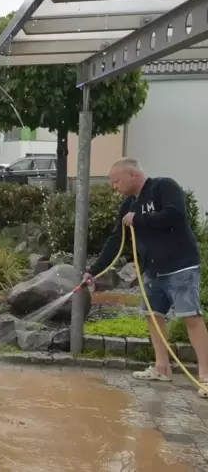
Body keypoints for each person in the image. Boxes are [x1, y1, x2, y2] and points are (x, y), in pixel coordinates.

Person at [84, 158, 208, 395]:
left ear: (133, 175)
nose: (114, 187)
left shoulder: (164, 187)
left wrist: (139, 220)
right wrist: (93, 271)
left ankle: (205, 376)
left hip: (181, 266)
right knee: (153, 316)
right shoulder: (128, 205)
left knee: (191, 317)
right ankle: (162, 368)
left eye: (116, 181)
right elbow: (115, 240)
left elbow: (175, 214)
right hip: (152, 269)